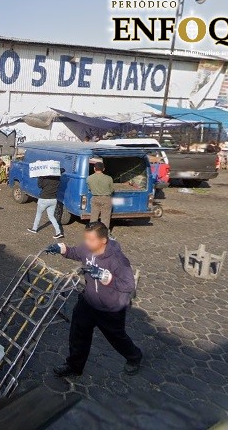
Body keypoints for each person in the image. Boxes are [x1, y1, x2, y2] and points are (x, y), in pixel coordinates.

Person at [44, 222, 142, 377]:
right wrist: (62, 249)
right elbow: (76, 252)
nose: (87, 243)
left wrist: (107, 277)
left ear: (103, 240)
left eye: (91, 240)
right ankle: (74, 366)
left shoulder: (117, 259)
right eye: (86, 239)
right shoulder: (87, 247)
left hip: (111, 307)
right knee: (78, 334)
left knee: (116, 337)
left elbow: (129, 285)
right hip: (88, 301)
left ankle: (134, 356)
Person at [87, 161, 114, 229]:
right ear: (103, 169)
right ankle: (104, 234)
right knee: (105, 219)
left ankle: (92, 232)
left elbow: (89, 189)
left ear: (94, 169)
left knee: (93, 218)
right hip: (106, 199)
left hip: (95, 198)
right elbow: (111, 190)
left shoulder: (89, 178)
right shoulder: (109, 178)